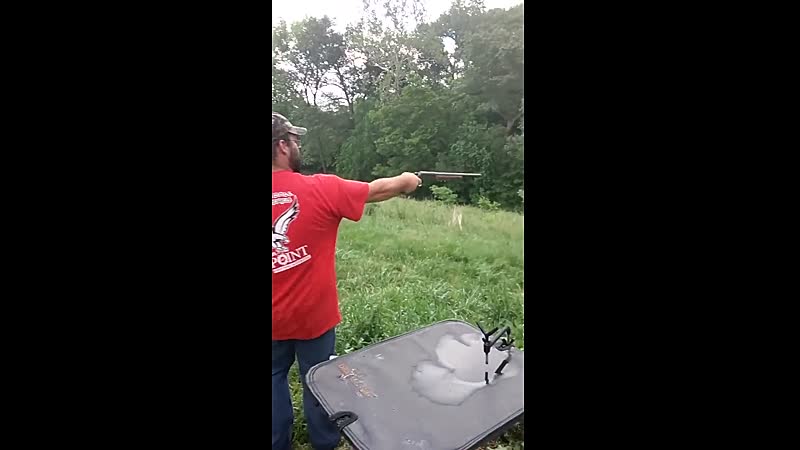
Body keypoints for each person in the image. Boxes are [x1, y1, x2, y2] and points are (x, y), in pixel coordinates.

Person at [271, 112, 421, 450]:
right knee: (320, 380)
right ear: (282, 146)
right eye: (295, 140)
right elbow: (378, 190)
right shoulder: (322, 188)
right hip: (314, 317)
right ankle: (324, 443)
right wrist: (407, 180)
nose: (297, 145)